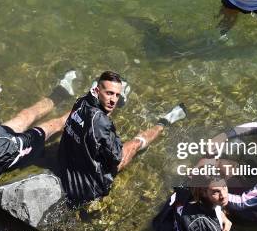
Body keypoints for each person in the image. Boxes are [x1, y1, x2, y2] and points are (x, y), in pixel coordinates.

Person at [57, 70, 187, 206]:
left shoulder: (80, 102)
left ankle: (113, 97)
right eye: (109, 93)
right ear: (97, 90)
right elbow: (116, 157)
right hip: (87, 188)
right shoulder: (102, 124)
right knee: (134, 145)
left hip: (65, 166)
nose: (113, 100)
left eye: (117, 95)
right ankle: (164, 123)